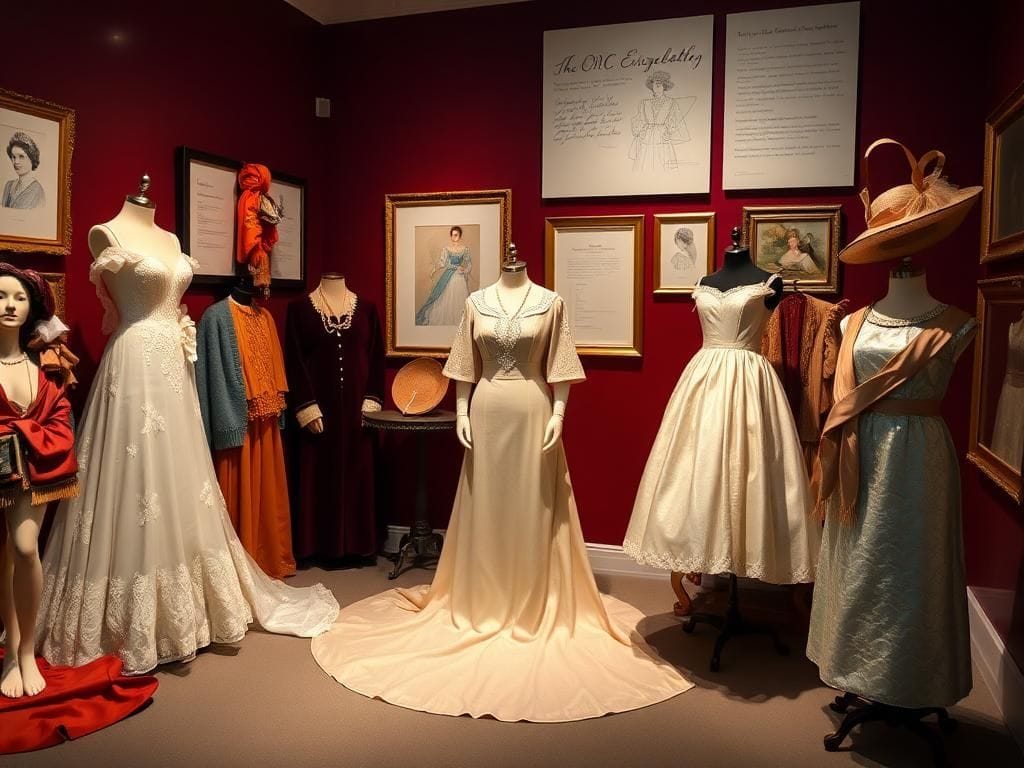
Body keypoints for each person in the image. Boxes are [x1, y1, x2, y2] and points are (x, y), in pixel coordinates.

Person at [37, 197, 339, 676]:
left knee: (180, 481)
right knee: (132, 481)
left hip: (174, 371)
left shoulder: (172, 239)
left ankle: (191, 611)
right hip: (133, 365)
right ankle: (130, 620)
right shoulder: (105, 234)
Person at [0, 264, 78, 698]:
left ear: (32, 305)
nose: (9, 305)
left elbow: (61, 414)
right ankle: (12, 650)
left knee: (25, 547)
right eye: (0, 296)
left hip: (40, 466)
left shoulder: (47, 361)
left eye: (19, 297)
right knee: (5, 554)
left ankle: (27, 650)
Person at [629, 71, 695, 173]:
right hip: (647, 137)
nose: (657, 86)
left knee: (663, 165)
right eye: (655, 83)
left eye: (660, 84)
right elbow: (640, 119)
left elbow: (674, 120)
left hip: (662, 136)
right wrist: (641, 131)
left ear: (664, 86)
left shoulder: (671, 102)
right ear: (652, 86)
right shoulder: (644, 103)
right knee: (644, 165)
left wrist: (669, 133)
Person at [415, 226, 471, 326]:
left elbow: (469, 263)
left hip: (459, 276)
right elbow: (442, 263)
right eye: (453, 235)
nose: (454, 237)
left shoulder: (464, 249)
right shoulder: (447, 249)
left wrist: (465, 270)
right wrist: (434, 269)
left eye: (456, 235)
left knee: (459, 297)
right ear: (450, 236)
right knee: (444, 296)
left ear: (460, 236)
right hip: (449, 275)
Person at [2, 133, 45, 210]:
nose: (16, 162)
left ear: (32, 158)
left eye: (21, 156)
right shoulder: (8, 185)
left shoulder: (37, 190)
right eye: (13, 157)